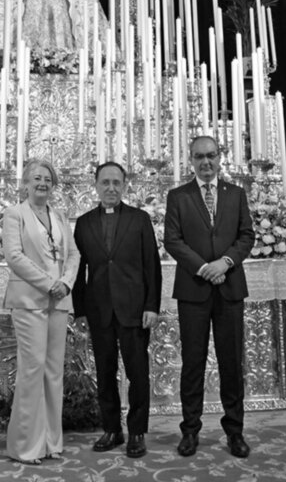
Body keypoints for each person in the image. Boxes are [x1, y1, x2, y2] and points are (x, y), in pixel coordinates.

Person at [164, 135, 255, 459]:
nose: (206, 162)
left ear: (220, 158)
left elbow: (247, 235)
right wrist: (205, 267)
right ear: (191, 159)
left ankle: (235, 432)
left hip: (230, 289)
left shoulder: (236, 194)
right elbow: (172, 240)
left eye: (211, 156)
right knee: (193, 363)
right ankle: (190, 432)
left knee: (231, 363)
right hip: (194, 290)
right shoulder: (178, 196)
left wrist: (225, 262)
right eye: (199, 156)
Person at [73, 162, 162, 459]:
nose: (111, 188)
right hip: (100, 311)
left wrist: (152, 305)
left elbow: (152, 265)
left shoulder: (140, 220)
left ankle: (136, 431)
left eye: (116, 182)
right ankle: (112, 429)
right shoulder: (83, 223)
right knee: (105, 371)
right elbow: (79, 269)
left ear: (125, 185)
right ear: (95, 185)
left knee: (138, 373)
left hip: (134, 309)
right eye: (105, 182)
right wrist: (80, 310)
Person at [2, 158, 80, 465]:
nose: (42, 183)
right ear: (25, 182)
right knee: (32, 371)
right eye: (36, 178)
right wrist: (50, 283)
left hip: (59, 299)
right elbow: (14, 256)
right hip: (30, 300)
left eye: (47, 178)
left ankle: (50, 441)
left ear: (54, 184)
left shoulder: (59, 215)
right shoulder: (14, 214)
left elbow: (73, 254)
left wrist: (66, 282)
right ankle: (25, 446)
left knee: (52, 373)